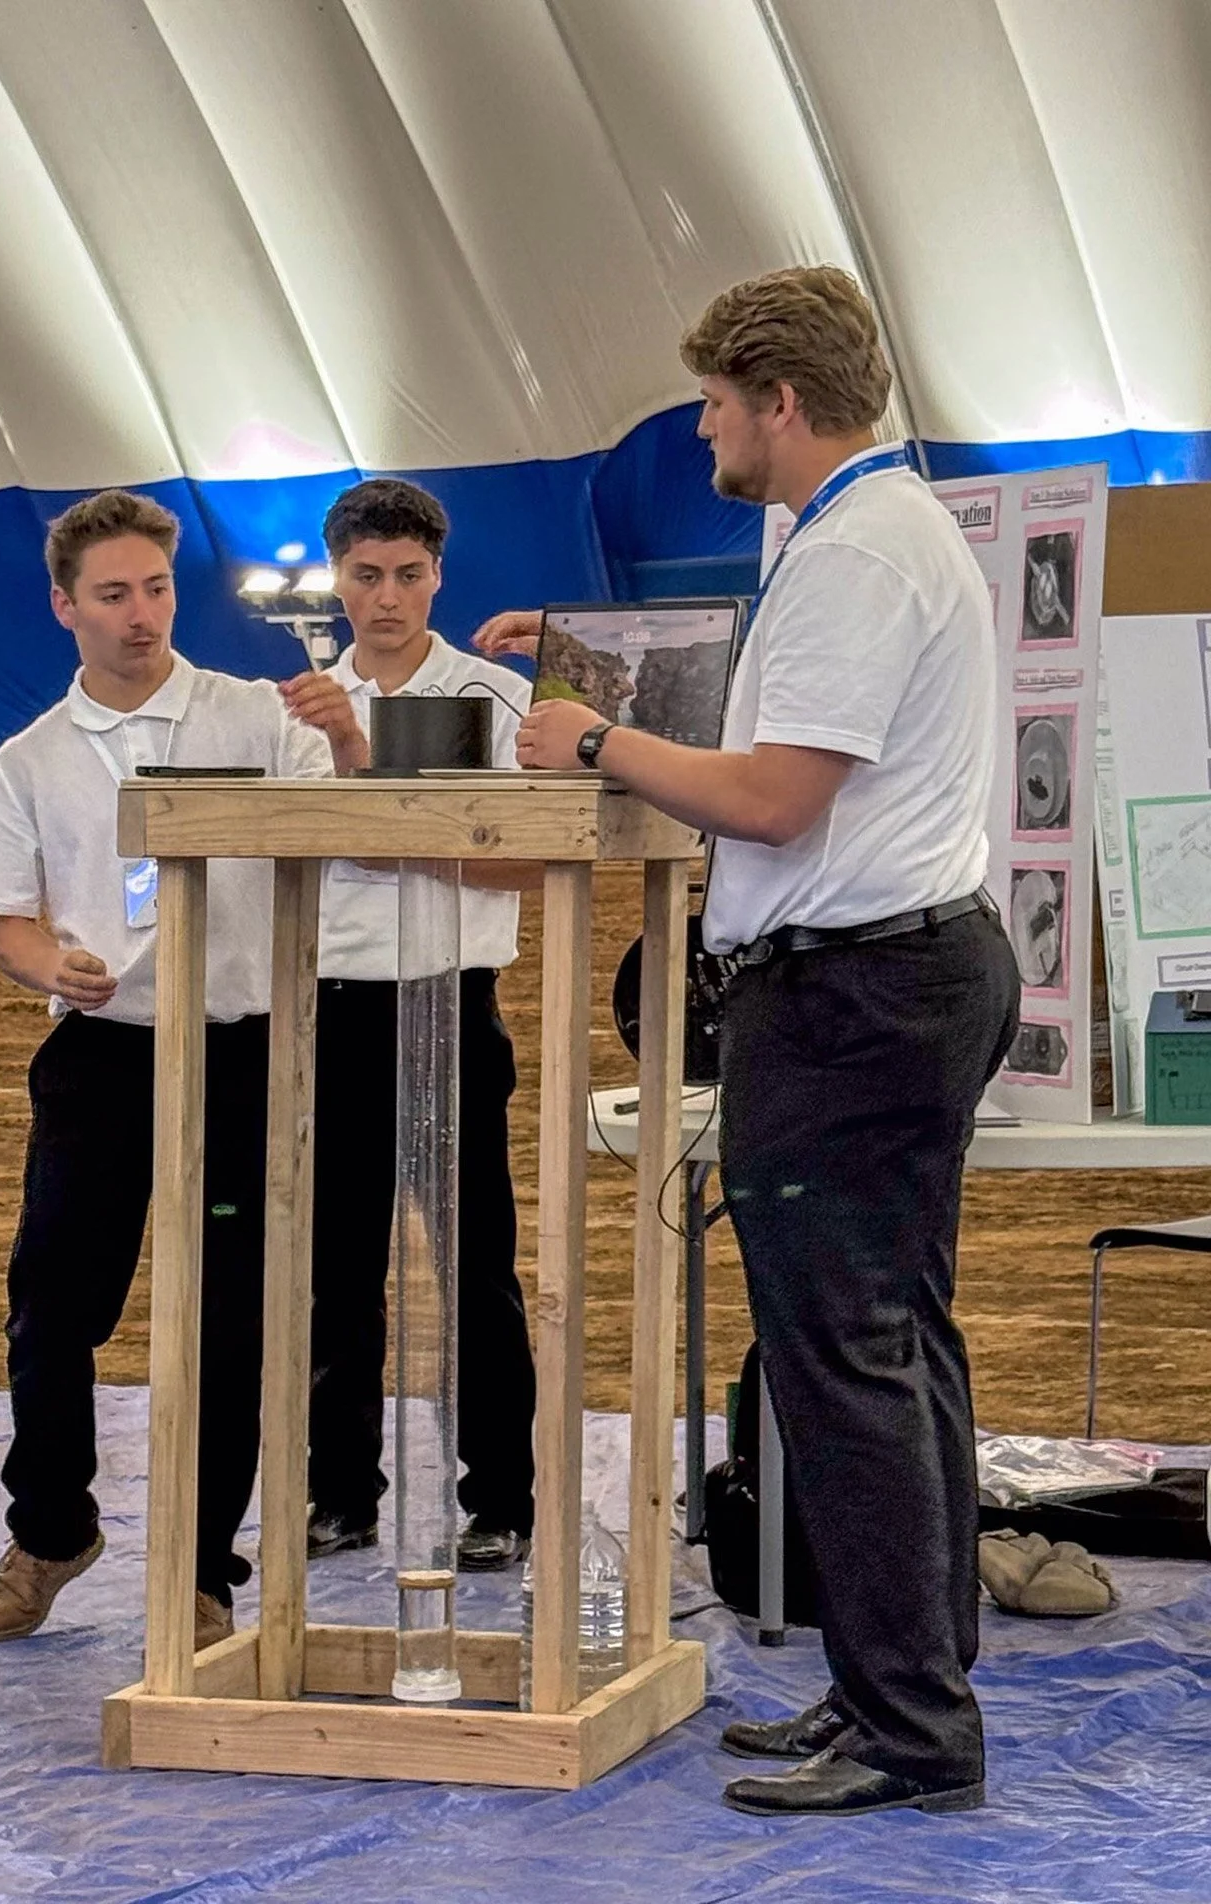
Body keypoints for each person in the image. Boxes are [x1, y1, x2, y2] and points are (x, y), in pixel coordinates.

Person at [477, 266, 1019, 1818]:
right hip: (894, 982)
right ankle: (902, 1688)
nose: (703, 430)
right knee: (894, 1347)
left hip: (855, 998)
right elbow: (754, 712)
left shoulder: (855, 557)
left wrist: (590, 736)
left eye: (714, 404)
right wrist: (584, 662)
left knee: (843, 1363)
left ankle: (910, 1729)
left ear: (780, 402)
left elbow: (775, 797)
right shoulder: (854, 531)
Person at [0, 488, 365, 1649]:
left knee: (228, 1320)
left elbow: (355, 824)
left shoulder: (256, 717)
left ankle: (201, 1571)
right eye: (113, 594)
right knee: (50, 1304)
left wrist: (346, 741)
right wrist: (57, 962)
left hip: (239, 1052)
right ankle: (50, 1528)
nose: (141, 613)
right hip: (100, 1059)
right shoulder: (31, 758)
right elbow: (3, 920)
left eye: (156, 588)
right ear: (65, 607)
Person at [302, 478, 537, 1572]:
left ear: (438, 575)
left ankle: (503, 1498)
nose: (386, 596)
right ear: (337, 579)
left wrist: (397, 835)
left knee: (475, 1266)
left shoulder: (497, 698)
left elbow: (532, 858)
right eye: (366, 575)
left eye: (406, 574)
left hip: (452, 999)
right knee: (335, 1269)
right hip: (332, 1010)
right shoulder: (299, 710)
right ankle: (339, 1491)